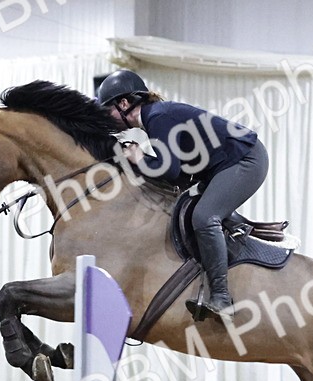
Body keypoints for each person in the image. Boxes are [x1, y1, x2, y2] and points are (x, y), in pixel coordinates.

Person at [97, 68, 268, 318]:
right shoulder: (155, 117)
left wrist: (140, 157)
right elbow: (177, 176)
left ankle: (221, 297)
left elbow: (168, 168)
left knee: (204, 217)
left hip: (245, 159)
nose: (107, 119)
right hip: (226, 164)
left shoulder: (157, 117)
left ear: (124, 103)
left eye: (107, 110)